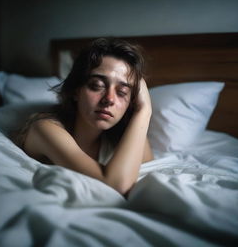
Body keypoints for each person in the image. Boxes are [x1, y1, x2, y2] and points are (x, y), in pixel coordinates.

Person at [15, 37, 154, 195]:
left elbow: (150, 170)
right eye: (97, 86)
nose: (109, 99)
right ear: (76, 90)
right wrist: (145, 111)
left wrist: (138, 113)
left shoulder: (123, 133)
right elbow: (114, 186)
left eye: (122, 92)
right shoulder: (45, 129)